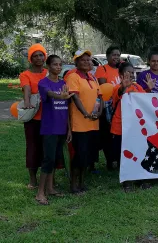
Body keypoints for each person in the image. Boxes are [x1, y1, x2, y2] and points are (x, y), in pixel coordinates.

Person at [35, 55, 73, 204]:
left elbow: (67, 108)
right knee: (48, 159)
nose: (58, 67)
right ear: (48, 66)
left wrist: (69, 129)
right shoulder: (43, 83)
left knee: (55, 159)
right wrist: (59, 95)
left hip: (61, 128)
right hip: (49, 128)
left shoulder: (64, 83)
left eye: (60, 65)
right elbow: (49, 94)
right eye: (55, 65)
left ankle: (50, 189)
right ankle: (40, 193)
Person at [111, 62, 154, 191]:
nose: (130, 75)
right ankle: (127, 181)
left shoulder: (138, 87)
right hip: (120, 127)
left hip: (136, 127)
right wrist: (123, 88)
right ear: (120, 75)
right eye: (127, 73)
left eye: (132, 73)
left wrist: (149, 90)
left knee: (139, 151)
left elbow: (145, 102)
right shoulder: (117, 88)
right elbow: (119, 95)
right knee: (124, 154)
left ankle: (141, 178)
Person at [66, 50, 103, 193]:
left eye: (88, 60)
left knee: (87, 155)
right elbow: (74, 98)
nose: (86, 62)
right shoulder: (73, 77)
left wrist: (99, 113)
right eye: (83, 60)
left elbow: (100, 97)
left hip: (93, 123)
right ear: (76, 62)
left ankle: (82, 183)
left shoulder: (92, 78)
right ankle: (73, 185)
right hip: (79, 124)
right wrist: (85, 113)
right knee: (79, 154)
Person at [19, 43, 48, 189]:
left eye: (41, 55)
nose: (38, 58)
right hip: (33, 118)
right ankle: (32, 179)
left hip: (48, 117)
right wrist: (27, 101)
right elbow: (27, 88)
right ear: (30, 58)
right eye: (35, 56)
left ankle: (48, 179)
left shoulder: (48, 73)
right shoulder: (25, 74)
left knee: (46, 148)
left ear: (45, 57)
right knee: (32, 147)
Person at [94, 45, 121, 171]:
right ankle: (110, 161)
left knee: (118, 135)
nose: (116, 57)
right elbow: (104, 85)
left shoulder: (121, 69)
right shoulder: (102, 69)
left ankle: (118, 159)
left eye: (118, 55)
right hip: (107, 107)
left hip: (120, 106)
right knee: (107, 135)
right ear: (108, 56)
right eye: (113, 55)